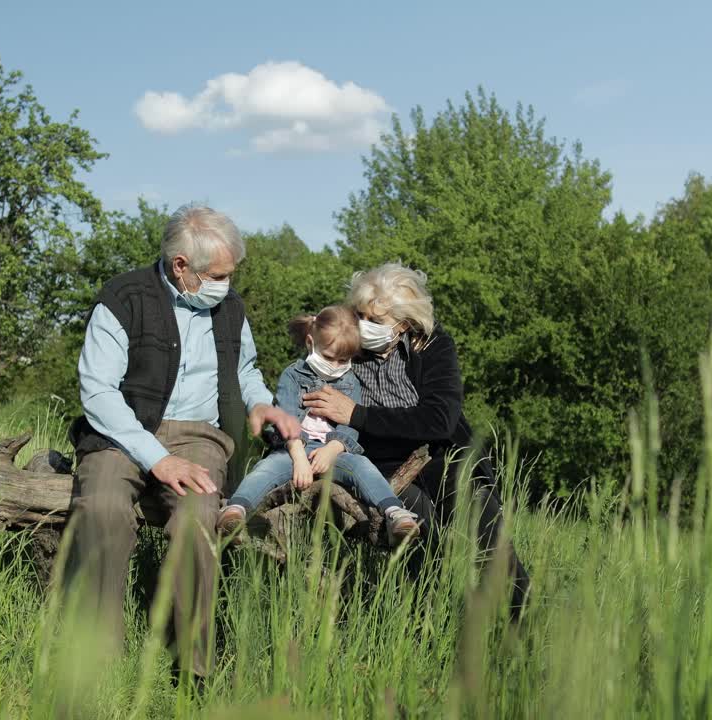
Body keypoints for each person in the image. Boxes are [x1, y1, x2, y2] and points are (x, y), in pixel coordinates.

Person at [65, 204, 302, 682]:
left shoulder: (230, 308)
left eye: (230, 275)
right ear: (181, 267)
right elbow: (97, 392)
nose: (226, 285)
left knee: (197, 520)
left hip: (198, 436)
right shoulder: (123, 297)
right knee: (103, 509)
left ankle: (192, 668)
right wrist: (157, 459)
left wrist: (260, 404)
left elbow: (246, 369)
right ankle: (95, 658)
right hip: (122, 433)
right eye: (217, 275)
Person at [301, 262, 531, 616]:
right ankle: (427, 629)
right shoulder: (347, 347)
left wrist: (358, 415)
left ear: (404, 323)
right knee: (421, 541)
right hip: (382, 464)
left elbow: (439, 419)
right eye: (360, 315)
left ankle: (521, 631)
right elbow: (315, 401)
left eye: (375, 321)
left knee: (488, 534)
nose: (364, 326)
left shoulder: (434, 344)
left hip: (442, 455)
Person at [216, 306, 421, 542]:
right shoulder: (292, 376)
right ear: (311, 343)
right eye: (329, 358)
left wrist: (333, 449)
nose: (335, 366)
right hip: (293, 449)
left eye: (343, 360)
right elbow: (286, 418)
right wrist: (299, 458)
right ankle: (236, 508)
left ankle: (395, 512)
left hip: (333, 452)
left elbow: (349, 425)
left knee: (363, 466)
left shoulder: (350, 380)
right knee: (265, 469)